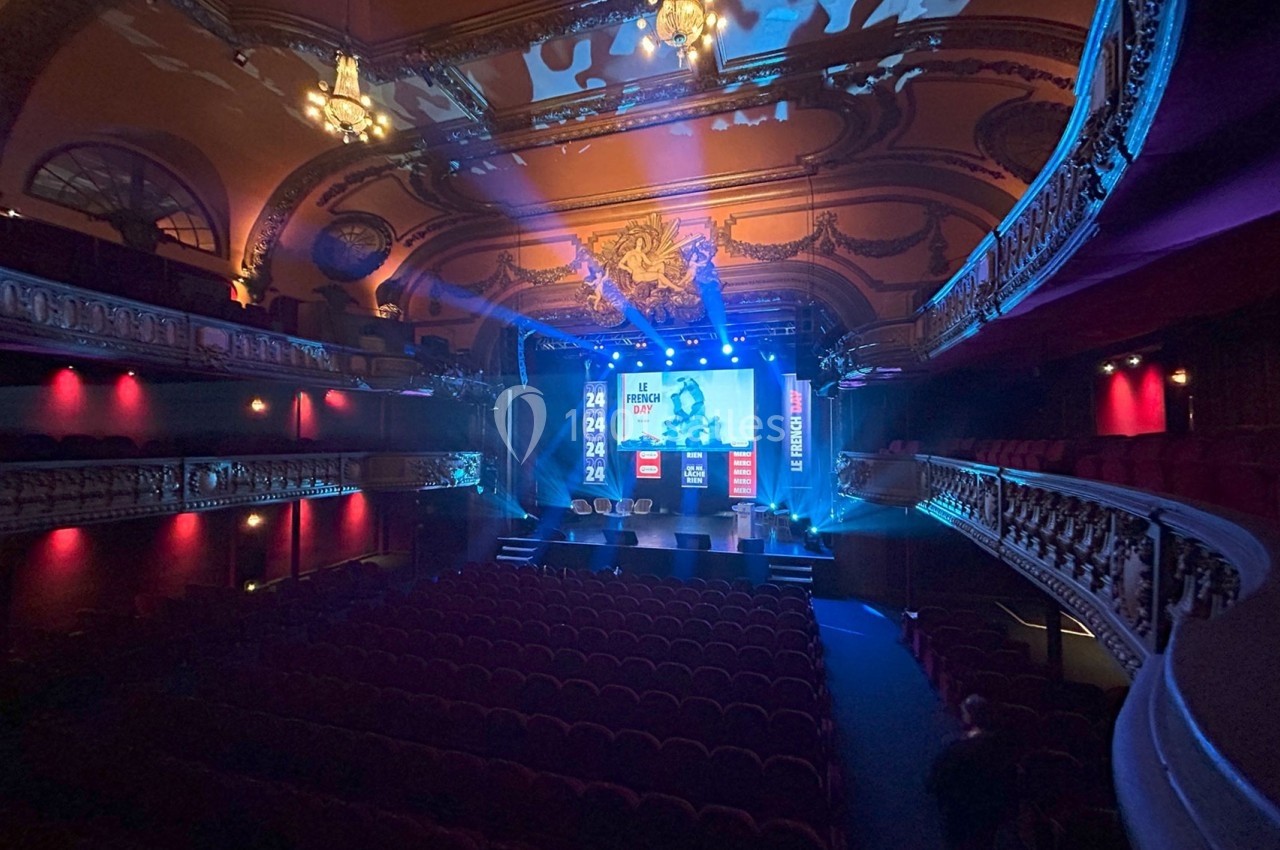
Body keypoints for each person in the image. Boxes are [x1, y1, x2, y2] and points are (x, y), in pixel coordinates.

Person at [927, 694, 1018, 849]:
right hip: (991, 811)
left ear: (969, 717)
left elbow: (935, 781)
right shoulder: (1003, 747)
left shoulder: (957, 749)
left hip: (961, 812)